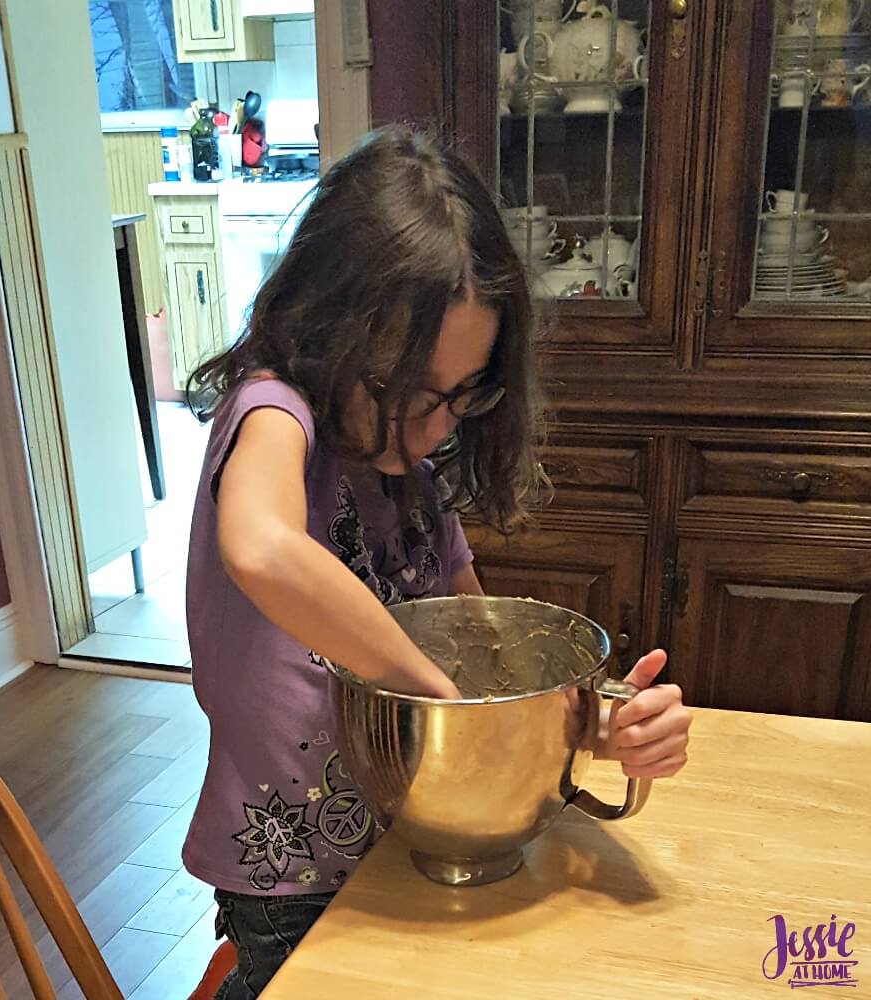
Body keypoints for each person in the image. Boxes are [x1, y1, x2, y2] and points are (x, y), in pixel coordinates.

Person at [181, 126, 692, 999]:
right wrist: (423, 679)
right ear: (325, 328)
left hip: (415, 842)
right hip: (292, 879)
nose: (436, 427)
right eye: (407, 392)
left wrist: (600, 732)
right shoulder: (272, 411)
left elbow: (485, 671)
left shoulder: (417, 487)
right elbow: (262, 546)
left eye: (462, 394)